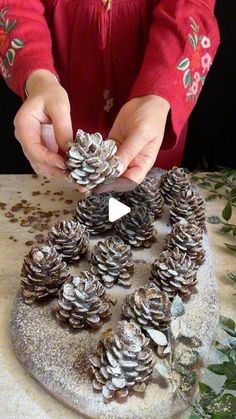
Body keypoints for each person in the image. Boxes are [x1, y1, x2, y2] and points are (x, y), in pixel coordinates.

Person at [0, 0, 219, 191]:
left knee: (147, 197)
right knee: (59, 189)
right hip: (57, 95)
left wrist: (159, 93)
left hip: (155, 93)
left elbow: (190, 6)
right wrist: (37, 78)